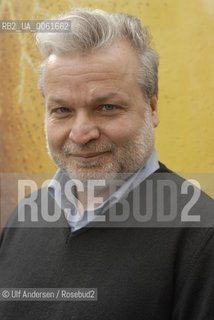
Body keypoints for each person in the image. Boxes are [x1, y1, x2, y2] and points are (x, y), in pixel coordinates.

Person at [0, 8, 214, 320]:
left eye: (107, 107)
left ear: (151, 107)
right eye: (62, 110)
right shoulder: (24, 219)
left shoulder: (200, 237)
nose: (81, 133)